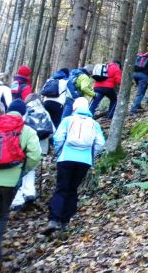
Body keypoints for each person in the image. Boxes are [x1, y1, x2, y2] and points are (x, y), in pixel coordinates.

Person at [43, 97, 105, 235]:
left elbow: (58, 138)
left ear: (74, 108)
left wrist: (59, 152)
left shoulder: (67, 120)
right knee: (72, 189)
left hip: (66, 158)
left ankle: (53, 220)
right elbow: (100, 143)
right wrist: (91, 156)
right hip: (84, 161)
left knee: (61, 189)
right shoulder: (94, 124)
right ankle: (65, 221)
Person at [0, 99, 40, 265]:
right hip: (11, 180)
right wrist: (23, 171)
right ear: (24, 113)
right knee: (1, 215)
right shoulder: (27, 130)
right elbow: (35, 155)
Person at [11, 95, 54, 211]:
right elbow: (52, 131)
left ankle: (18, 200)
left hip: (24, 145)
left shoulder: (25, 110)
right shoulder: (45, 112)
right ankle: (30, 192)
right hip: (40, 147)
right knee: (31, 169)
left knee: (19, 171)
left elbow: (20, 128)